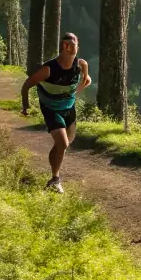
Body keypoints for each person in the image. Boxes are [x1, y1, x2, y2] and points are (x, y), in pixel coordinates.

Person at [20, 32, 91, 194]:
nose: (72, 47)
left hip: (69, 109)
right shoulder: (48, 69)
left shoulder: (81, 65)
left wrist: (76, 90)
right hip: (51, 109)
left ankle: (53, 177)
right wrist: (25, 106)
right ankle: (55, 179)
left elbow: (87, 79)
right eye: (69, 44)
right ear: (63, 46)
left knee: (62, 145)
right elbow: (26, 85)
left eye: (75, 44)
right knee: (63, 144)